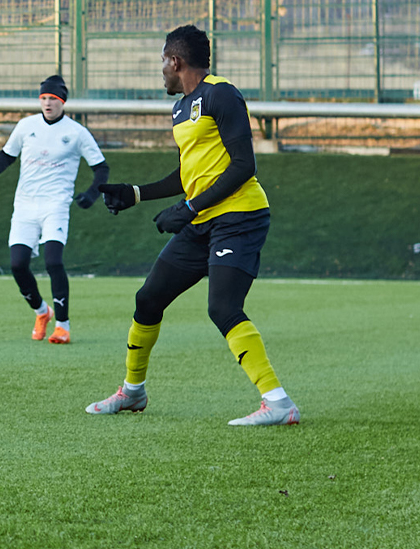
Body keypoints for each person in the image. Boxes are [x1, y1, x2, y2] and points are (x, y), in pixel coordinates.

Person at [87, 25, 300, 426]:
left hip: (239, 217)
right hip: (203, 220)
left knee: (223, 308)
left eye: (162, 62)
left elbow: (244, 165)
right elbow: (189, 173)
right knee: (148, 299)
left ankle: (279, 403)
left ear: (176, 61)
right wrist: (135, 193)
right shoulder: (181, 108)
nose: (161, 71)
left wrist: (189, 208)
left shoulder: (222, 94)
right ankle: (133, 392)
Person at [0, 75, 109, 344]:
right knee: (17, 265)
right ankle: (41, 312)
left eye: (53, 99)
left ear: (63, 101)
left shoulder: (77, 132)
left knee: (53, 262)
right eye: (44, 98)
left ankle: (62, 326)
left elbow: (101, 168)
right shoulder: (26, 126)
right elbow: (7, 155)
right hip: (25, 205)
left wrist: (92, 194)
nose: (48, 103)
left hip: (55, 205)